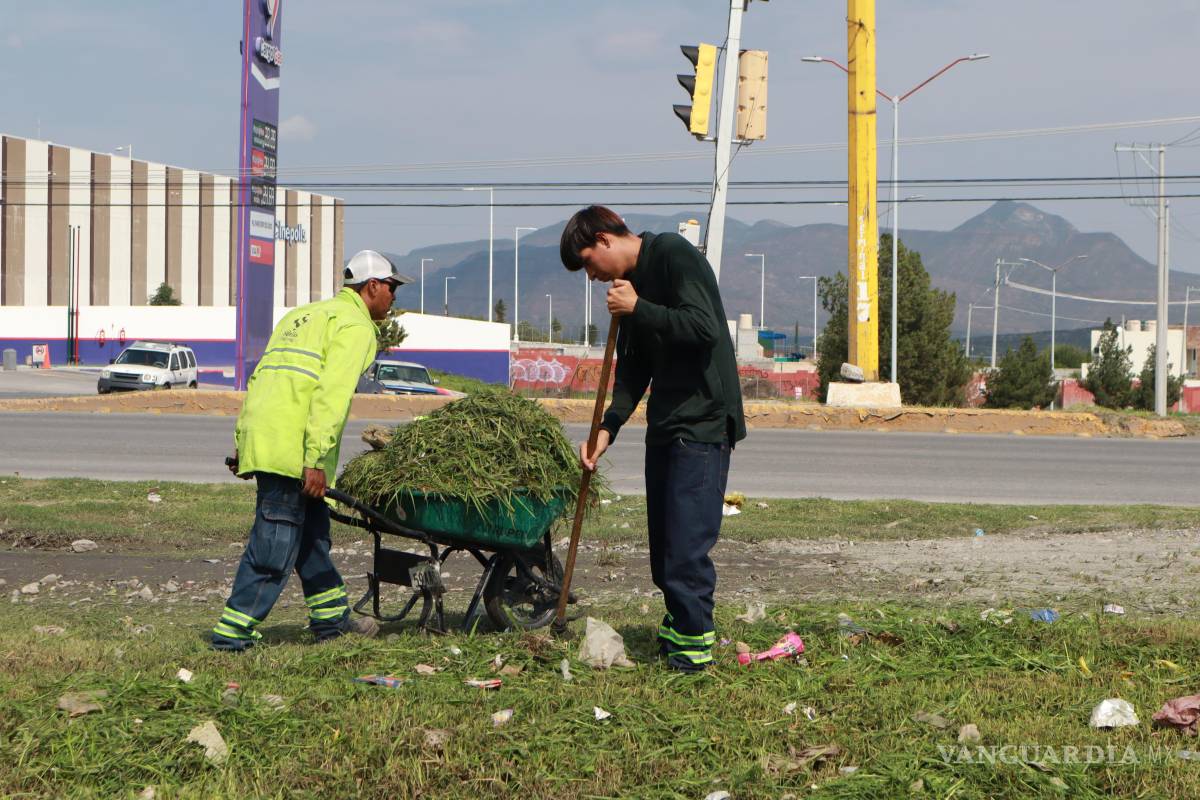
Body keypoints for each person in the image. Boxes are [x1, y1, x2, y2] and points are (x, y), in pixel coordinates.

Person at [560, 206, 746, 672]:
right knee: (663, 547)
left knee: (686, 545)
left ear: (605, 240)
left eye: (588, 263)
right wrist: (606, 429)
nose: (592, 277)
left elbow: (704, 328)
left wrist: (639, 307)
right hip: (666, 423)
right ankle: (679, 626)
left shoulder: (673, 255)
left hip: (703, 422)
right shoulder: (628, 288)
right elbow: (634, 371)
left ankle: (692, 652)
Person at [212, 250, 410, 651]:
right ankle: (232, 634)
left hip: (270, 438)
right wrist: (315, 460)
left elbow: (263, 380)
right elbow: (330, 398)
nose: (394, 297)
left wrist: (245, 441)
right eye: (392, 288)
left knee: (312, 539)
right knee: (274, 545)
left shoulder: (302, 316)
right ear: (372, 286)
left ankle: (331, 622)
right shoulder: (355, 326)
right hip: (295, 452)